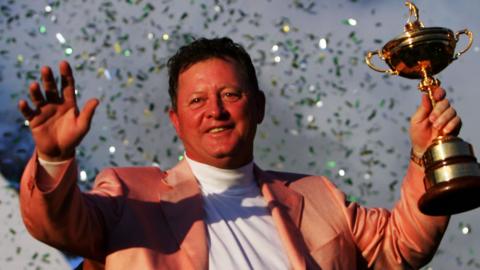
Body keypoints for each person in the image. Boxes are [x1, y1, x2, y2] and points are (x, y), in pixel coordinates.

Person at [18, 37, 460, 270]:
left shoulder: (316, 194)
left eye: (231, 94)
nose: (215, 111)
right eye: (197, 101)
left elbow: (400, 247)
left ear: (259, 106)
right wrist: (54, 159)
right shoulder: (128, 193)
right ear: (176, 120)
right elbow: (58, 225)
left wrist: (426, 155)